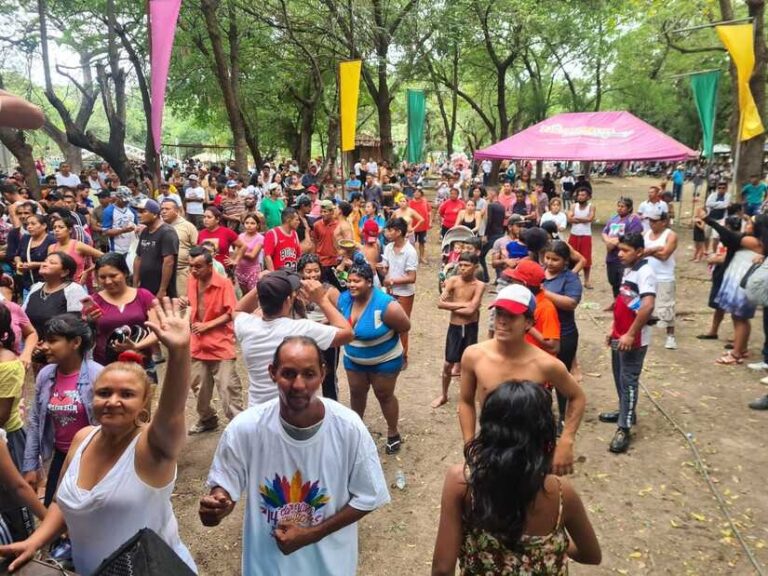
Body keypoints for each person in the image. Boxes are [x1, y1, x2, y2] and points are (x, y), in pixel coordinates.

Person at [0, 298, 197, 575]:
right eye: (104, 392)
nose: (112, 401)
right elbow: (62, 503)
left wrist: (179, 351)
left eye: (126, 394)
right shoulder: (82, 438)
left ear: (143, 406)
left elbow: (172, 411)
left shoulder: (151, 449)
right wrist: (36, 540)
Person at [199, 337, 389, 576]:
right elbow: (223, 490)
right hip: (266, 568)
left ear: (323, 373)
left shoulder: (348, 428)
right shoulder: (245, 429)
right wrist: (217, 505)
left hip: (330, 568)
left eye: (309, 374)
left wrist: (314, 533)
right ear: (272, 373)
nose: (298, 385)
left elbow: (368, 496)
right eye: (288, 373)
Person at [432, 381, 601, 576]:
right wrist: (555, 541)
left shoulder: (462, 483)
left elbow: (442, 569)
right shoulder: (562, 494)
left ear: (487, 431)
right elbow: (591, 555)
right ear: (544, 437)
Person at [458, 284, 584, 474]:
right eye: (499, 313)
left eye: (511, 316)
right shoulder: (474, 356)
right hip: (491, 445)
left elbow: (577, 396)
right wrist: (469, 445)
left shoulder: (545, 364)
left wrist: (567, 440)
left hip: (534, 448)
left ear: (528, 322)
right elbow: (466, 402)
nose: (502, 321)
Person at [235, 269, 353, 406]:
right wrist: (322, 300)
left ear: (259, 300)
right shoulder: (301, 329)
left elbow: (237, 310)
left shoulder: (246, 326)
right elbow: (348, 333)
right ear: (289, 300)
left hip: (257, 409)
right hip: (293, 409)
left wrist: (263, 285)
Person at [22, 315, 101, 507]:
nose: (44, 346)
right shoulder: (46, 375)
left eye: (53, 341)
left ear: (75, 342)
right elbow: (35, 421)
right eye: (45, 340)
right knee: (55, 509)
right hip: (60, 457)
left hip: (94, 458)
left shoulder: (97, 375)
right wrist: (30, 466)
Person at [337, 263, 411, 454]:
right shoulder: (344, 300)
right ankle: (357, 431)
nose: (351, 285)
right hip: (353, 360)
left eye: (357, 281)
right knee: (356, 393)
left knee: (384, 395)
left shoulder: (386, 305)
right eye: (349, 281)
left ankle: (393, 433)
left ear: (369, 282)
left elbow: (405, 326)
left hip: (385, 360)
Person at [599, 233, 656, 453]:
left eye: (625, 250)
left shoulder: (646, 273)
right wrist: (612, 330)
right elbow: (625, 300)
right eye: (619, 249)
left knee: (629, 379)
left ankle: (624, 427)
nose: (620, 254)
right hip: (619, 335)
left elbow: (647, 306)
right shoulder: (628, 269)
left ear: (639, 251)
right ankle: (625, 411)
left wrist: (631, 334)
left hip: (633, 339)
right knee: (619, 376)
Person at [184, 247, 244, 434]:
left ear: (210, 266)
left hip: (220, 343)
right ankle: (207, 418)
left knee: (228, 388)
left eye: (198, 266)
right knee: (198, 387)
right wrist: (184, 301)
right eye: (191, 266)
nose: (194, 270)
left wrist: (207, 325)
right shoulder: (191, 280)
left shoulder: (224, 283)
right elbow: (193, 304)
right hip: (197, 343)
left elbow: (231, 313)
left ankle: (240, 427)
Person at [86, 253, 159, 366]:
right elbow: (84, 337)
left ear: (125, 273)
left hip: (141, 362)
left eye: (113, 275)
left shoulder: (144, 296)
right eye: (102, 277)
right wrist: (89, 321)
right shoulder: (93, 301)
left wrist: (136, 346)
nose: (108, 281)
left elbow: (157, 330)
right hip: (105, 365)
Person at [433, 253, 485, 409]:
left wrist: (458, 305)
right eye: (460, 265)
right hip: (454, 328)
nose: (462, 268)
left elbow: (471, 311)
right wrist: (464, 305)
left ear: (475, 267)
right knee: (448, 364)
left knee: (469, 364)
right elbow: (440, 304)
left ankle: (467, 398)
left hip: (470, 327)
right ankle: (444, 395)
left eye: (466, 265)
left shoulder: (479, 285)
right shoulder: (453, 281)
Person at [541, 241, 583, 428]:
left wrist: (544, 293)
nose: (549, 262)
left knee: (561, 376)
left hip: (563, 335)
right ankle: (543, 413)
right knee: (540, 375)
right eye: (547, 258)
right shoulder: (539, 273)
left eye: (555, 260)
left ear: (565, 261)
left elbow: (571, 303)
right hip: (540, 333)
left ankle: (564, 416)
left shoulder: (570, 278)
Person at [297, 254, 341, 400]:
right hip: (304, 340)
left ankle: (332, 410)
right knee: (305, 376)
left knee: (328, 377)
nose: (313, 274)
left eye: (316, 270)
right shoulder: (296, 291)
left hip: (327, 339)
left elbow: (342, 315)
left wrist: (326, 323)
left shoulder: (330, 291)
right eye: (308, 271)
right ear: (301, 272)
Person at [380, 218, 418, 367]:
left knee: (402, 325)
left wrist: (393, 281)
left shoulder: (410, 251)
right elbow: (386, 266)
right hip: (389, 291)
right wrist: (382, 268)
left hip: (404, 293)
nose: (387, 232)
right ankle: (390, 353)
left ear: (399, 232)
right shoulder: (388, 247)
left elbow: (411, 277)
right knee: (388, 323)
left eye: (390, 230)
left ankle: (403, 357)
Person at [23, 252, 86, 339]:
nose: (44, 264)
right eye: (45, 261)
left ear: (64, 272)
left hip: (60, 346)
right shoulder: (36, 287)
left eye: (52, 263)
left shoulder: (73, 289)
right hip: (32, 344)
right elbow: (22, 316)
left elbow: (76, 324)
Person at [506, 259, 560, 356]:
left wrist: (526, 325)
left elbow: (554, 346)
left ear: (524, 285)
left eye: (514, 281)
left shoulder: (545, 308)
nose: (511, 283)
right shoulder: (520, 300)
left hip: (537, 364)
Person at [643, 210, 678, 350]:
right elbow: (639, 250)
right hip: (647, 274)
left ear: (663, 222)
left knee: (666, 306)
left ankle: (670, 336)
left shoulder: (670, 235)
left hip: (664, 276)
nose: (651, 224)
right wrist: (655, 249)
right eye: (649, 221)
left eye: (654, 221)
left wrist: (649, 251)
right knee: (645, 305)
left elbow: (665, 255)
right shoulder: (646, 233)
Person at [133, 199, 179, 299]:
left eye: (143, 211)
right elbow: (138, 258)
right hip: (145, 287)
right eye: (138, 211)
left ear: (154, 215)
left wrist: (162, 290)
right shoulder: (145, 231)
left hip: (160, 290)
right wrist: (135, 284)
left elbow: (169, 262)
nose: (139, 215)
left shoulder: (167, 232)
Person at [602, 197, 644, 301]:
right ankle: (616, 301)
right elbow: (604, 232)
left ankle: (626, 304)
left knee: (624, 282)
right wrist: (608, 241)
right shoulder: (613, 218)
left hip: (623, 258)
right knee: (613, 280)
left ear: (629, 208)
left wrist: (616, 242)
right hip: (611, 256)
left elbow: (633, 236)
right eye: (619, 206)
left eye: (623, 206)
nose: (620, 208)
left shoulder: (633, 220)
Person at [48, 216, 103, 286]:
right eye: (54, 228)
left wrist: (88, 271)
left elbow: (104, 256)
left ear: (70, 230)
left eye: (61, 227)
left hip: (77, 286)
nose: (56, 230)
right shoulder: (51, 248)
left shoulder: (78, 245)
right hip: (56, 287)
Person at [160, 198, 199, 298]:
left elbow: (197, 249)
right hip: (161, 272)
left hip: (181, 272)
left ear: (177, 211)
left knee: (181, 302)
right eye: (162, 209)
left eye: (167, 209)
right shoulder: (158, 226)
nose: (163, 211)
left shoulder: (188, 226)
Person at [14, 214, 56, 294]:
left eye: (33, 224)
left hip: (47, 285)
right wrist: (19, 263)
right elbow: (17, 255)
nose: (29, 227)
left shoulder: (51, 240)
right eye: (27, 224)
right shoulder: (25, 238)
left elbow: (55, 262)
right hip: (27, 285)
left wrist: (35, 265)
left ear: (44, 226)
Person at [567, 188, 595, 289]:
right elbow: (569, 218)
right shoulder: (574, 206)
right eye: (579, 195)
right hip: (574, 234)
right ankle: (571, 278)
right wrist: (584, 219)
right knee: (570, 257)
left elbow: (590, 218)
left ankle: (587, 281)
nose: (580, 197)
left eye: (583, 195)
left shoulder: (591, 207)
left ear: (588, 197)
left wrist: (577, 219)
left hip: (586, 235)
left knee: (586, 258)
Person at [234, 213, 264, 294]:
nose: (249, 225)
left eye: (252, 223)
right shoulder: (240, 236)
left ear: (257, 225)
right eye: (247, 223)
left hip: (252, 272)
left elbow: (252, 256)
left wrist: (241, 251)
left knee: (252, 296)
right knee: (243, 294)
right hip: (240, 270)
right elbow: (235, 252)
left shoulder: (260, 238)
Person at [102, 186, 138, 254]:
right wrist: (123, 230)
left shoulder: (132, 210)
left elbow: (137, 225)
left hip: (132, 248)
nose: (126, 202)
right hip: (117, 249)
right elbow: (105, 232)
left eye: (128, 200)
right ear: (117, 198)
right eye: (124, 200)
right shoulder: (109, 211)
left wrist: (136, 228)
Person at [409, 187, 431, 264]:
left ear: (421, 193)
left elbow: (429, 212)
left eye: (419, 192)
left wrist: (430, 222)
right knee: (412, 243)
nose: (417, 193)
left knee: (422, 242)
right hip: (413, 226)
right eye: (415, 192)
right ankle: (412, 258)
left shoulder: (425, 201)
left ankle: (422, 257)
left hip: (423, 226)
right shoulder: (410, 202)